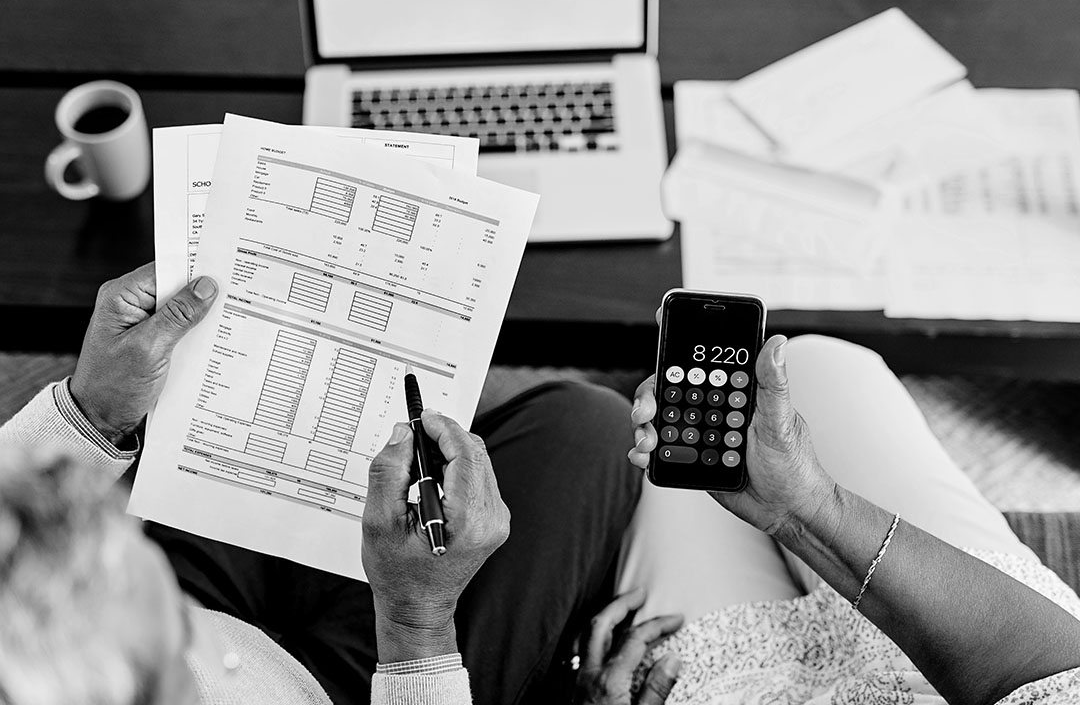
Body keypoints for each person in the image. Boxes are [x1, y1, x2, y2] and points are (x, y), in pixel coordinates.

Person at [0, 262, 670, 704]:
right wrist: (416, 625)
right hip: (362, 684)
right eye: (174, 637)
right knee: (586, 430)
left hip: (215, 603)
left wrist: (89, 415)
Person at [616, 333, 1080, 705]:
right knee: (816, 363)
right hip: (977, 641)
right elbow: (1049, 671)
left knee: (676, 477)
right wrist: (809, 507)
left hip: (742, 687)